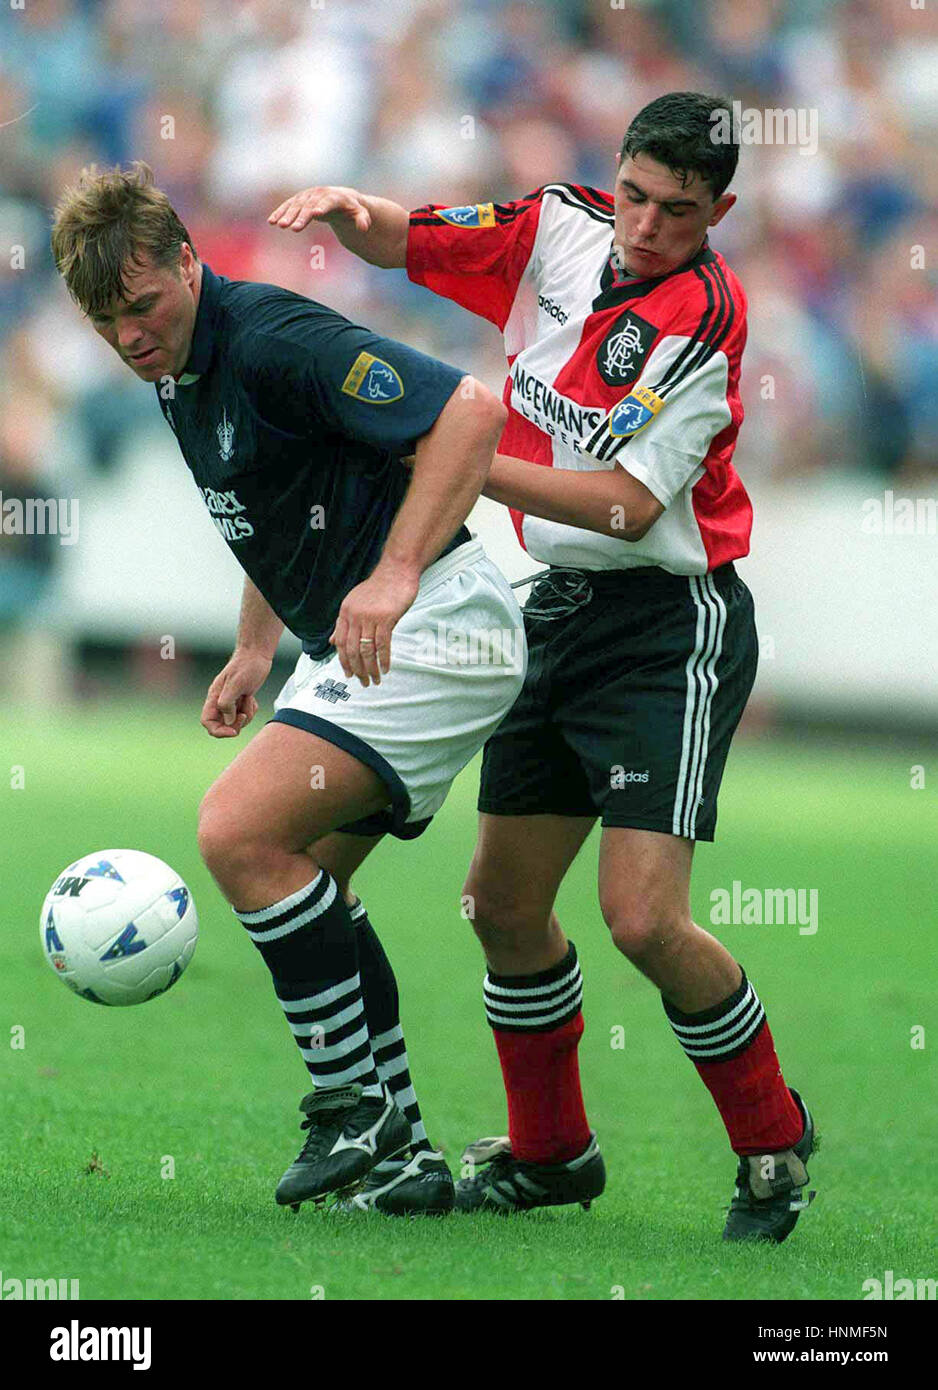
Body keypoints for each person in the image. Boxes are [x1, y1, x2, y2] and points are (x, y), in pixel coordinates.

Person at [268, 91, 817, 1242]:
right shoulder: (555, 227)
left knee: (639, 920)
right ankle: (550, 1154)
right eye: (632, 194)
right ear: (608, 175)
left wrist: (460, 462)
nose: (644, 224)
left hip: (668, 625)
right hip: (545, 611)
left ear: (718, 210)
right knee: (501, 902)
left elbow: (623, 508)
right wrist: (346, 211)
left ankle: (772, 1145)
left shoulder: (704, 315)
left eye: (676, 209)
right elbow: (413, 238)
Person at [51, 161, 526, 1216]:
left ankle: (346, 1100)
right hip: (368, 642)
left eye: (140, 305)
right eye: (105, 322)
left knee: (235, 831)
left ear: (188, 259)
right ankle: (401, 1155)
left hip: (441, 625)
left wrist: (394, 572)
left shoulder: (269, 338)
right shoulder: (176, 366)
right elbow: (270, 503)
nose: (128, 335)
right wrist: (253, 645)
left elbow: (468, 410)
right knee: (311, 879)